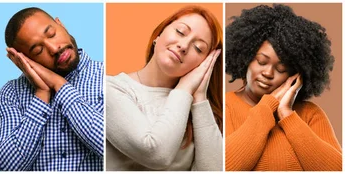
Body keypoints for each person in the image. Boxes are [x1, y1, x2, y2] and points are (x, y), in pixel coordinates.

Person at [225, 4, 341, 171]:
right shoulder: (223, 106)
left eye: (281, 69)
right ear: (246, 58)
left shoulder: (310, 114)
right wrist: (267, 106)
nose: (268, 73)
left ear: (295, 76)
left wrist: (287, 114)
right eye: (261, 61)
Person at [105, 6, 223, 171]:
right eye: (180, 32)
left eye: (198, 48)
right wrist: (185, 87)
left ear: (203, 65)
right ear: (158, 35)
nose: (183, 45)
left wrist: (200, 97)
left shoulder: (201, 112)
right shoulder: (110, 88)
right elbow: (155, 153)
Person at [0, 7, 104, 171]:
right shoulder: (11, 93)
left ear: (60, 24)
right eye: (38, 50)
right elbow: (8, 166)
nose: (53, 48)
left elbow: (106, 146)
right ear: (25, 59)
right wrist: (42, 94)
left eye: (52, 34)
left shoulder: (107, 76)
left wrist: (59, 85)